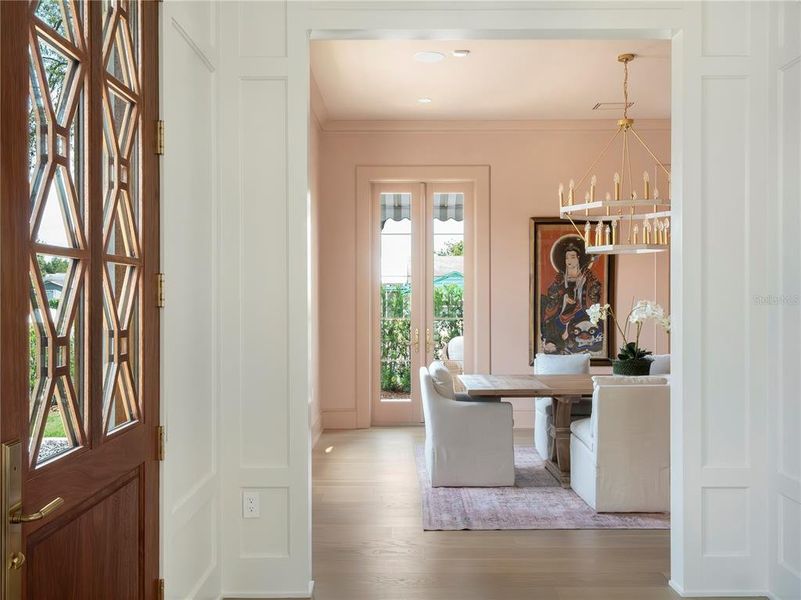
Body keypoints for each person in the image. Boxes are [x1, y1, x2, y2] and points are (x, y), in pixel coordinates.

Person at [540, 235, 602, 355]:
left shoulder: (587, 277)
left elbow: (594, 294)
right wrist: (564, 298)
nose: (569, 261)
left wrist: (582, 296)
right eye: (567, 258)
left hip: (582, 310)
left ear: (578, 258)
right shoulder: (560, 279)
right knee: (554, 322)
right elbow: (552, 297)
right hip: (563, 311)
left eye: (573, 257)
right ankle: (554, 343)